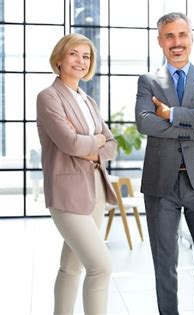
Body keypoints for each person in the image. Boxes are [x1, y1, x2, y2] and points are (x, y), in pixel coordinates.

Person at [135, 12, 194, 315]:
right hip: (161, 183)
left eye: (182, 35)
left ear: (191, 38)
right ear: (160, 41)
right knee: (165, 264)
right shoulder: (148, 81)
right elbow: (145, 123)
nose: (177, 42)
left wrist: (171, 114)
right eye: (170, 36)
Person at [36, 33, 118, 314]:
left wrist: (91, 143)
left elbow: (113, 145)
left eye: (86, 56)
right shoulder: (48, 97)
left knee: (71, 267)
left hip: (94, 188)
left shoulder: (88, 101)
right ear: (59, 58)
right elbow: (69, 143)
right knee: (101, 266)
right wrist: (95, 141)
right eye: (74, 54)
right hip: (67, 192)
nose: (81, 61)